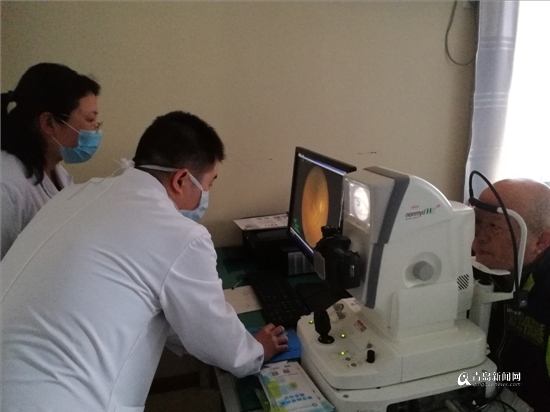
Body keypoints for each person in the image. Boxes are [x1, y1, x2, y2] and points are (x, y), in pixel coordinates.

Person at [1, 111, 288, 412]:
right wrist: (256, 350)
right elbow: (218, 339)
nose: (205, 196)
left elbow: (142, 297)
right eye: (208, 184)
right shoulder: (179, 234)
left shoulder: (76, 196)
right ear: (181, 180)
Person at [1, 62, 102, 259]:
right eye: (90, 120)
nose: (95, 130)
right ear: (48, 123)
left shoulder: (57, 172)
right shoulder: (7, 186)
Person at [472, 178, 550, 411]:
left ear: (541, 241)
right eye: (477, 221)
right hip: (494, 386)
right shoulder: (481, 265)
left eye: (494, 226)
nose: (479, 237)